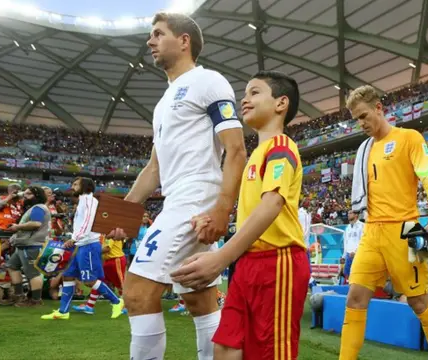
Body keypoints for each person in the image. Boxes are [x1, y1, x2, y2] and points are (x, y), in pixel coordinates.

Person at [109, 12, 247, 360]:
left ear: (184, 41)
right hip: (177, 198)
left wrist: (221, 208)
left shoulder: (208, 81)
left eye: (158, 34)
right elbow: (154, 168)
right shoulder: (162, 104)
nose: (149, 41)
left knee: (137, 291)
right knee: (199, 299)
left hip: (196, 195)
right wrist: (123, 214)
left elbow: (236, 149)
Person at [170, 70, 309, 360]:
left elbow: (272, 205)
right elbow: (251, 212)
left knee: (270, 353)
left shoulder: (281, 147)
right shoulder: (255, 155)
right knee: (226, 347)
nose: (243, 100)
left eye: (254, 92)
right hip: (246, 263)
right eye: (244, 94)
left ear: (281, 104)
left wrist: (221, 257)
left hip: (276, 262)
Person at [341, 85, 428, 360]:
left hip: (407, 228)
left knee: (419, 301)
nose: (361, 123)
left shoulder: (409, 138)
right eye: (356, 119)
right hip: (371, 231)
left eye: (364, 116)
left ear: (379, 108)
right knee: (355, 297)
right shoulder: (364, 149)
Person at [41, 177, 124, 320]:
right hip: (82, 244)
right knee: (68, 275)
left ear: (84, 186)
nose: (72, 186)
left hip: (89, 245)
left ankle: (117, 302)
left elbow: (87, 222)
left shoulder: (89, 200)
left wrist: (74, 238)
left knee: (89, 280)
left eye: (75, 184)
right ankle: (63, 311)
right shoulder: (83, 201)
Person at [1, 186, 51, 307]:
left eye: (29, 194)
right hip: (24, 244)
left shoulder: (38, 208)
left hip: (31, 245)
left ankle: (35, 300)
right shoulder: (34, 208)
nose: (25, 196)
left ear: (37, 196)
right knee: (12, 266)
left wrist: (17, 227)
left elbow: (36, 224)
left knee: (33, 273)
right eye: (25, 194)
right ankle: (19, 296)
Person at [341, 210, 364, 282]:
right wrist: (344, 256)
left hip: (358, 255)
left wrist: (356, 252)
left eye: (350, 213)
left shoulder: (362, 226)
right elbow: (346, 243)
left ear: (356, 215)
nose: (348, 215)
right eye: (348, 213)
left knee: (357, 276)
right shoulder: (347, 228)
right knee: (347, 276)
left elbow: (363, 241)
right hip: (348, 255)